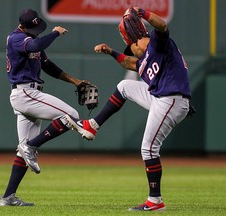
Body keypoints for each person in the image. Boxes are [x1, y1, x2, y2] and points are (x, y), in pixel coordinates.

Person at [66, 7, 194, 211]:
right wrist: (110, 52)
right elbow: (129, 63)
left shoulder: (157, 43)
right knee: (124, 87)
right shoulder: (144, 60)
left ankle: (155, 201)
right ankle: (93, 125)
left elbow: (162, 25)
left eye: (129, 47)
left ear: (134, 41)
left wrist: (142, 12)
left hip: (171, 99)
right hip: (162, 98)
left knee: (149, 148)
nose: (129, 51)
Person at [0, 9, 93, 206]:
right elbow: (34, 45)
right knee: (71, 115)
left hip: (29, 94)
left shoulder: (31, 38)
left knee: (22, 153)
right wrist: (55, 33)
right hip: (25, 93)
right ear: (23, 26)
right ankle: (32, 146)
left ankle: (8, 197)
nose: (36, 30)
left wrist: (75, 81)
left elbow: (48, 66)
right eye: (32, 28)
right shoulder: (15, 38)